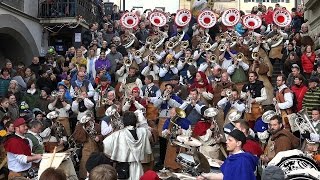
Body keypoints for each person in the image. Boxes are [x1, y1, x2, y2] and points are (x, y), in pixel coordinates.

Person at [103, 111, 152, 180]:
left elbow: (105, 143)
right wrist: (141, 120)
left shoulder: (118, 134)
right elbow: (149, 133)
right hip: (138, 166)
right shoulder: (143, 131)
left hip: (124, 166)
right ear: (135, 120)